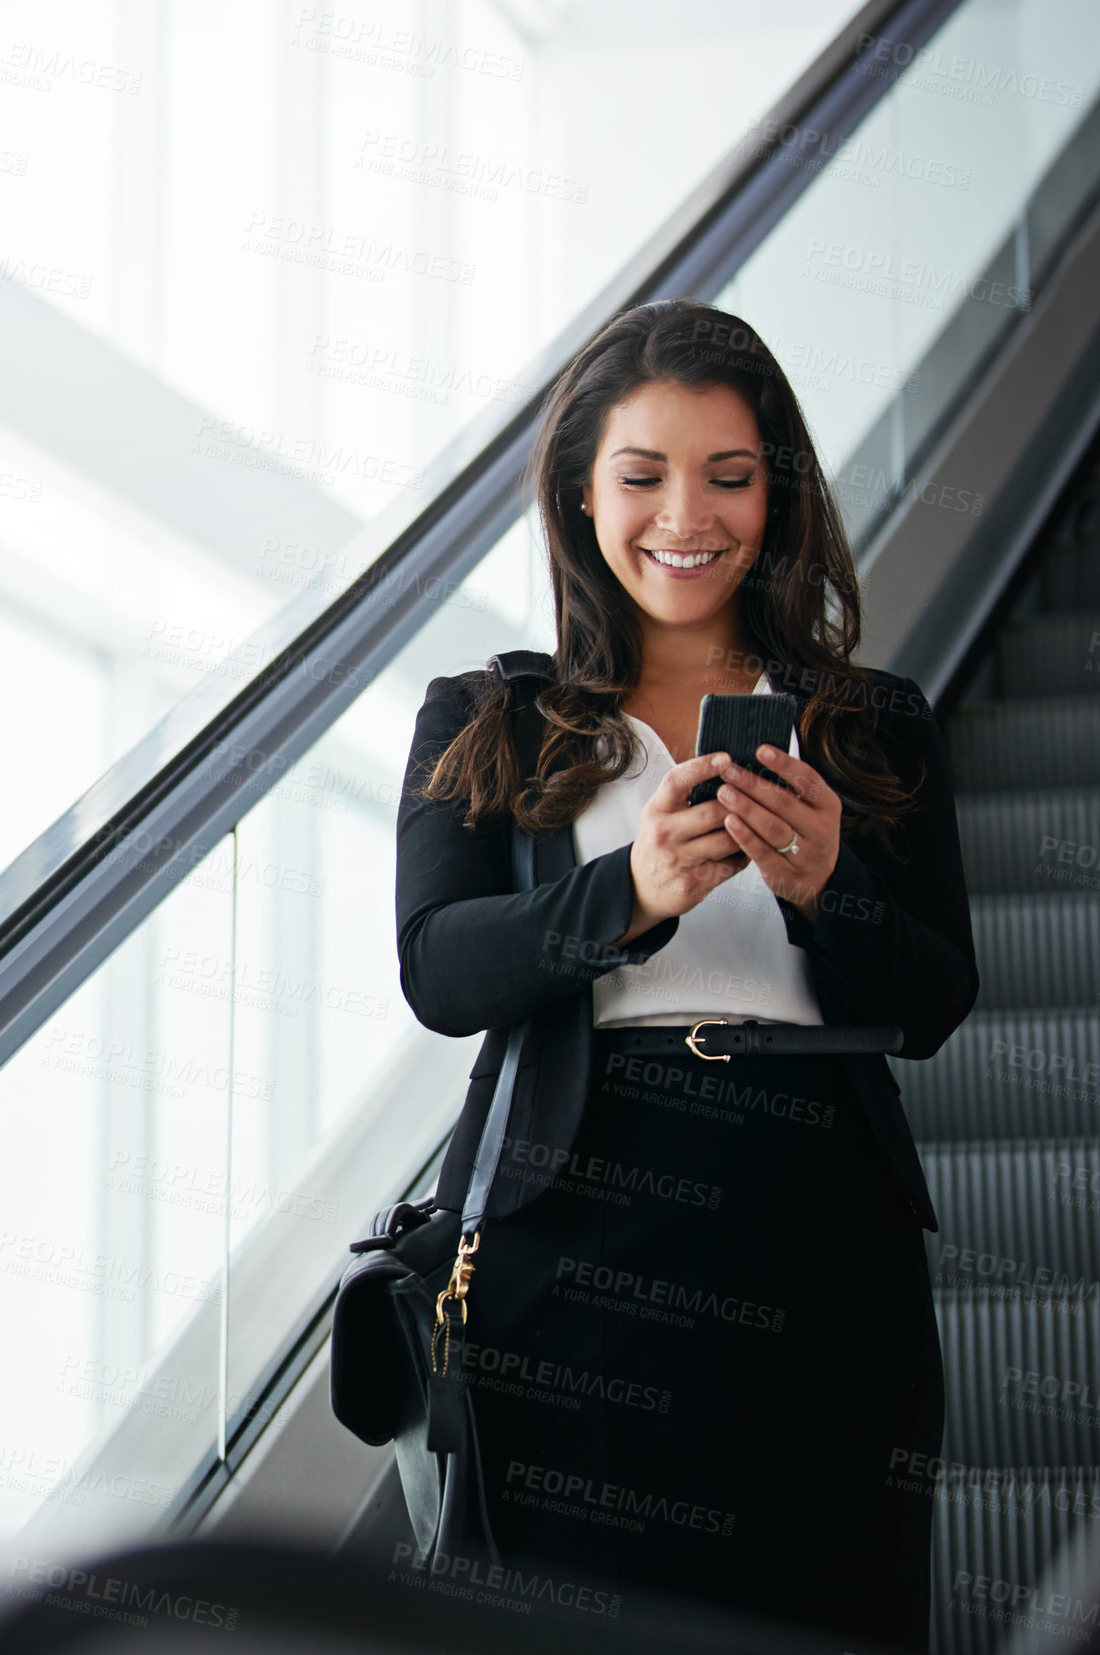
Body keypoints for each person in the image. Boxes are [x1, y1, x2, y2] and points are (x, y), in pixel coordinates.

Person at [394, 299, 978, 1649]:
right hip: (569, 1223)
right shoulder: (490, 716)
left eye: (730, 477)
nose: (687, 516)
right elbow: (441, 970)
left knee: (831, 1605)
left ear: (776, 496)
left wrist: (830, 888)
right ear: (580, 494)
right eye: (644, 476)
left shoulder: (873, 723)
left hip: (824, 1218)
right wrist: (632, 893)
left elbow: (935, 1001)